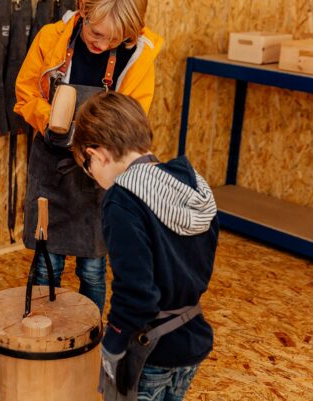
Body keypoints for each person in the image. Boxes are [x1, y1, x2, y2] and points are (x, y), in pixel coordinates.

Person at [14, 0, 164, 314]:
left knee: (93, 269)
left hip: (99, 176)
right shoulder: (52, 40)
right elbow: (24, 95)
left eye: (114, 39)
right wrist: (51, 119)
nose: (102, 44)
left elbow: (132, 119)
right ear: (82, 7)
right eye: (96, 33)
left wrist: (95, 140)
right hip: (50, 172)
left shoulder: (137, 59)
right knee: (45, 261)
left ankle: (87, 338)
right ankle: (42, 332)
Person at [71, 92, 219, 401]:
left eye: (88, 168)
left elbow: (137, 295)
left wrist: (111, 349)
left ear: (96, 154)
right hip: (192, 339)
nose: (95, 179)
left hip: (149, 351)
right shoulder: (193, 183)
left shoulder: (123, 200)